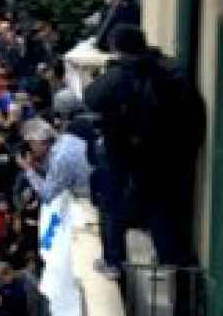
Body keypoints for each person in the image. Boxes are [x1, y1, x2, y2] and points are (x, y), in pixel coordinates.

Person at [83, 25, 207, 272]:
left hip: (127, 153)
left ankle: (113, 261)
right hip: (166, 155)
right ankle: (173, 262)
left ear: (118, 48)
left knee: (112, 202)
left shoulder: (122, 74)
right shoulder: (170, 70)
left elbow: (92, 97)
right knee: (160, 209)